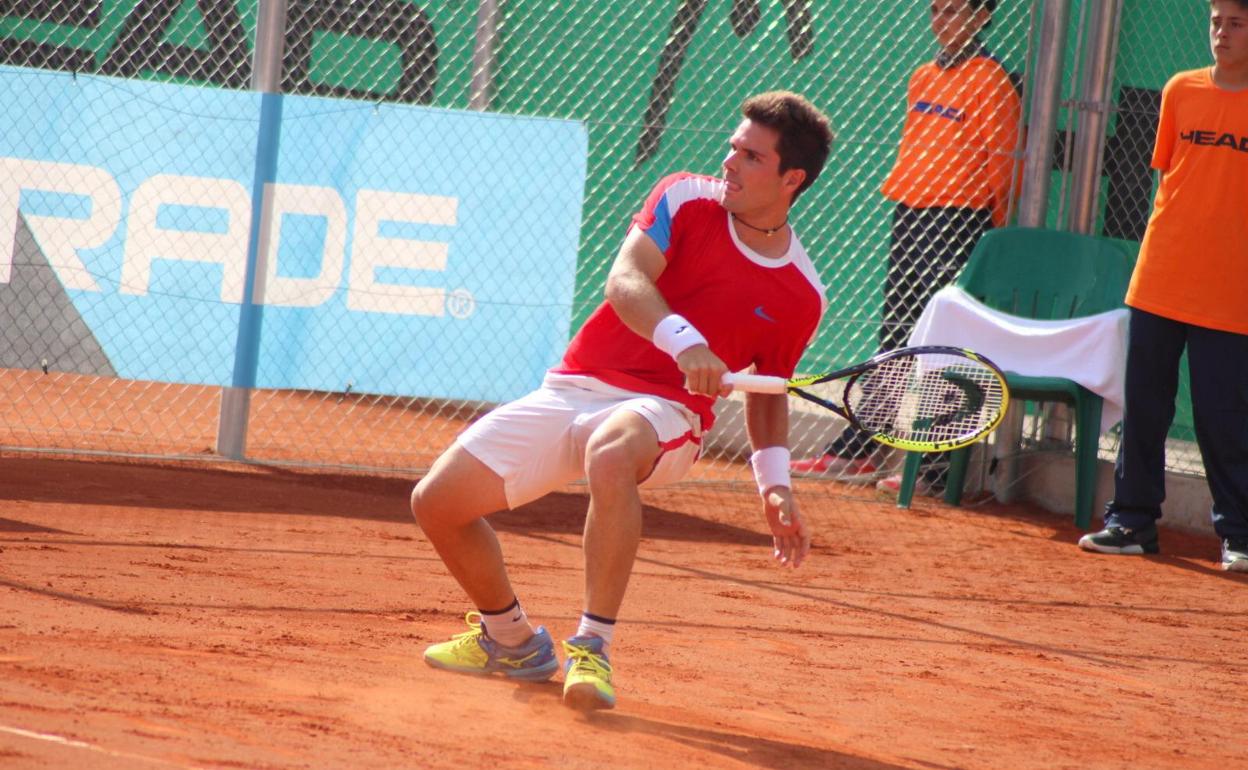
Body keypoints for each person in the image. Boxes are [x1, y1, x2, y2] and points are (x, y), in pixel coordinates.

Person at [410, 91, 835, 710]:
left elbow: (770, 390)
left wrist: (775, 485)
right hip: (575, 386)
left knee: (610, 454)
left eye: (750, 156)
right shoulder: (684, 197)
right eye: (732, 147)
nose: (730, 163)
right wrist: (685, 341)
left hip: (667, 414)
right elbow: (625, 280)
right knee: (437, 503)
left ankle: (593, 646)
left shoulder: (800, 293)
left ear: (791, 178)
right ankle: (512, 640)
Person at [791, 0, 1020, 496]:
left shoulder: (993, 80)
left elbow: (1002, 165)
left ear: (982, 17)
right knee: (896, 332)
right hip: (912, 212)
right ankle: (860, 449)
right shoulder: (923, 76)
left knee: (945, 344)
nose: (943, 19)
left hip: (961, 220)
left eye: (956, 10)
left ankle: (936, 473)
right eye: (937, 10)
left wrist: (993, 233)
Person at [1078, 0, 1248, 571]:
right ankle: (1131, 521)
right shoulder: (1181, 89)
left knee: (1222, 417)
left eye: (1237, 24)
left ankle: (1240, 535)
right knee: (1144, 406)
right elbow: (1171, 179)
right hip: (1160, 278)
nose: (1221, 34)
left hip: (1231, 292)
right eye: (1216, 22)